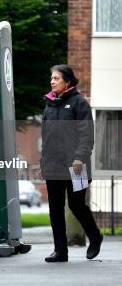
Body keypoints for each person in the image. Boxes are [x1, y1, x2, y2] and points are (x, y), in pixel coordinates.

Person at [41, 64, 103, 262]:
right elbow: (47, 137)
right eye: (51, 78)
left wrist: (79, 157)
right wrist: (44, 163)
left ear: (67, 81)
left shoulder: (79, 104)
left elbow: (87, 134)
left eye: (56, 78)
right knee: (55, 208)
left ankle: (95, 237)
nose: (52, 81)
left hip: (76, 164)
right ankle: (60, 251)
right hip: (53, 166)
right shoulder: (49, 105)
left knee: (77, 205)